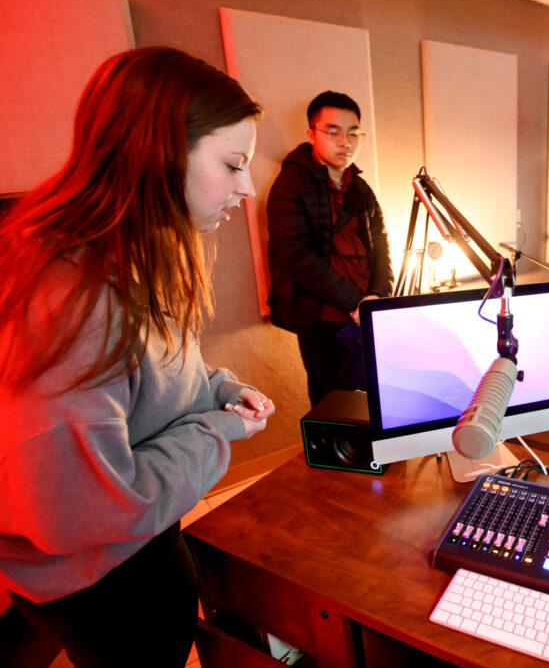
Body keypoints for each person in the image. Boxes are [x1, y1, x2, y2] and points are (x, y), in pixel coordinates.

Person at [0, 47, 274, 667]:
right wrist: (218, 427)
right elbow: (82, 508)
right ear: (157, 150)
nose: (248, 187)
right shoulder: (67, 300)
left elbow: (158, 371)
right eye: (234, 164)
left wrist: (217, 388)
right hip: (102, 579)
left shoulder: (139, 252)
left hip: (140, 545)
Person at [267, 91, 393, 406]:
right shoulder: (289, 184)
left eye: (353, 133)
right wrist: (355, 302)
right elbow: (296, 258)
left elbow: (380, 242)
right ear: (311, 134)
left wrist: (377, 296)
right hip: (320, 316)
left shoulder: (360, 188)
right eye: (332, 131)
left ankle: (375, 458)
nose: (344, 142)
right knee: (331, 403)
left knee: (372, 398)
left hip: (363, 311)